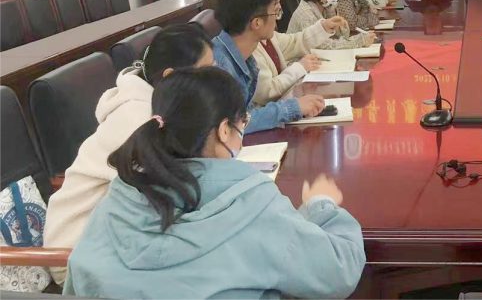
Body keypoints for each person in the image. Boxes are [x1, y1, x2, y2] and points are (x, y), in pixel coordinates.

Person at [63, 67, 366, 299]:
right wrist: (321, 205)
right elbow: (339, 271)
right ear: (224, 131)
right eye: (244, 122)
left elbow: (78, 281)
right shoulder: (253, 207)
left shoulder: (116, 200)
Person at [43, 25, 213, 285]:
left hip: (118, 235)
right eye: (205, 73)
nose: (212, 82)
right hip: (77, 254)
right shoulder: (138, 119)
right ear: (170, 76)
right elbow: (166, 194)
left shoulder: (157, 104)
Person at [212, 0, 344, 132]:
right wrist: (294, 107)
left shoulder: (244, 48)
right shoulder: (219, 66)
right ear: (256, 23)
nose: (277, 20)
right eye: (275, 13)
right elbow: (237, 123)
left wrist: (324, 27)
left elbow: (246, 115)